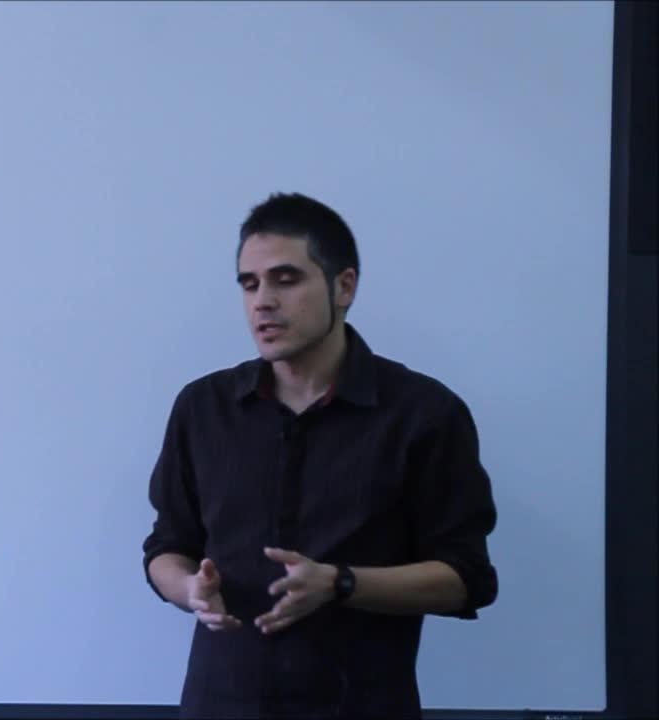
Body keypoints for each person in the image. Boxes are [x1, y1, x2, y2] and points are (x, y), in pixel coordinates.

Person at [142, 192, 498, 719]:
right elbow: (168, 548)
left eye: (286, 280)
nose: (263, 301)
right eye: (249, 284)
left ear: (344, 286)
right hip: (220, 704)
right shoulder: (203, 408)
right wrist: (188, 588)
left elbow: (465, 578)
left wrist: (339, 583)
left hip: (360, 706)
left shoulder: (423, 413)